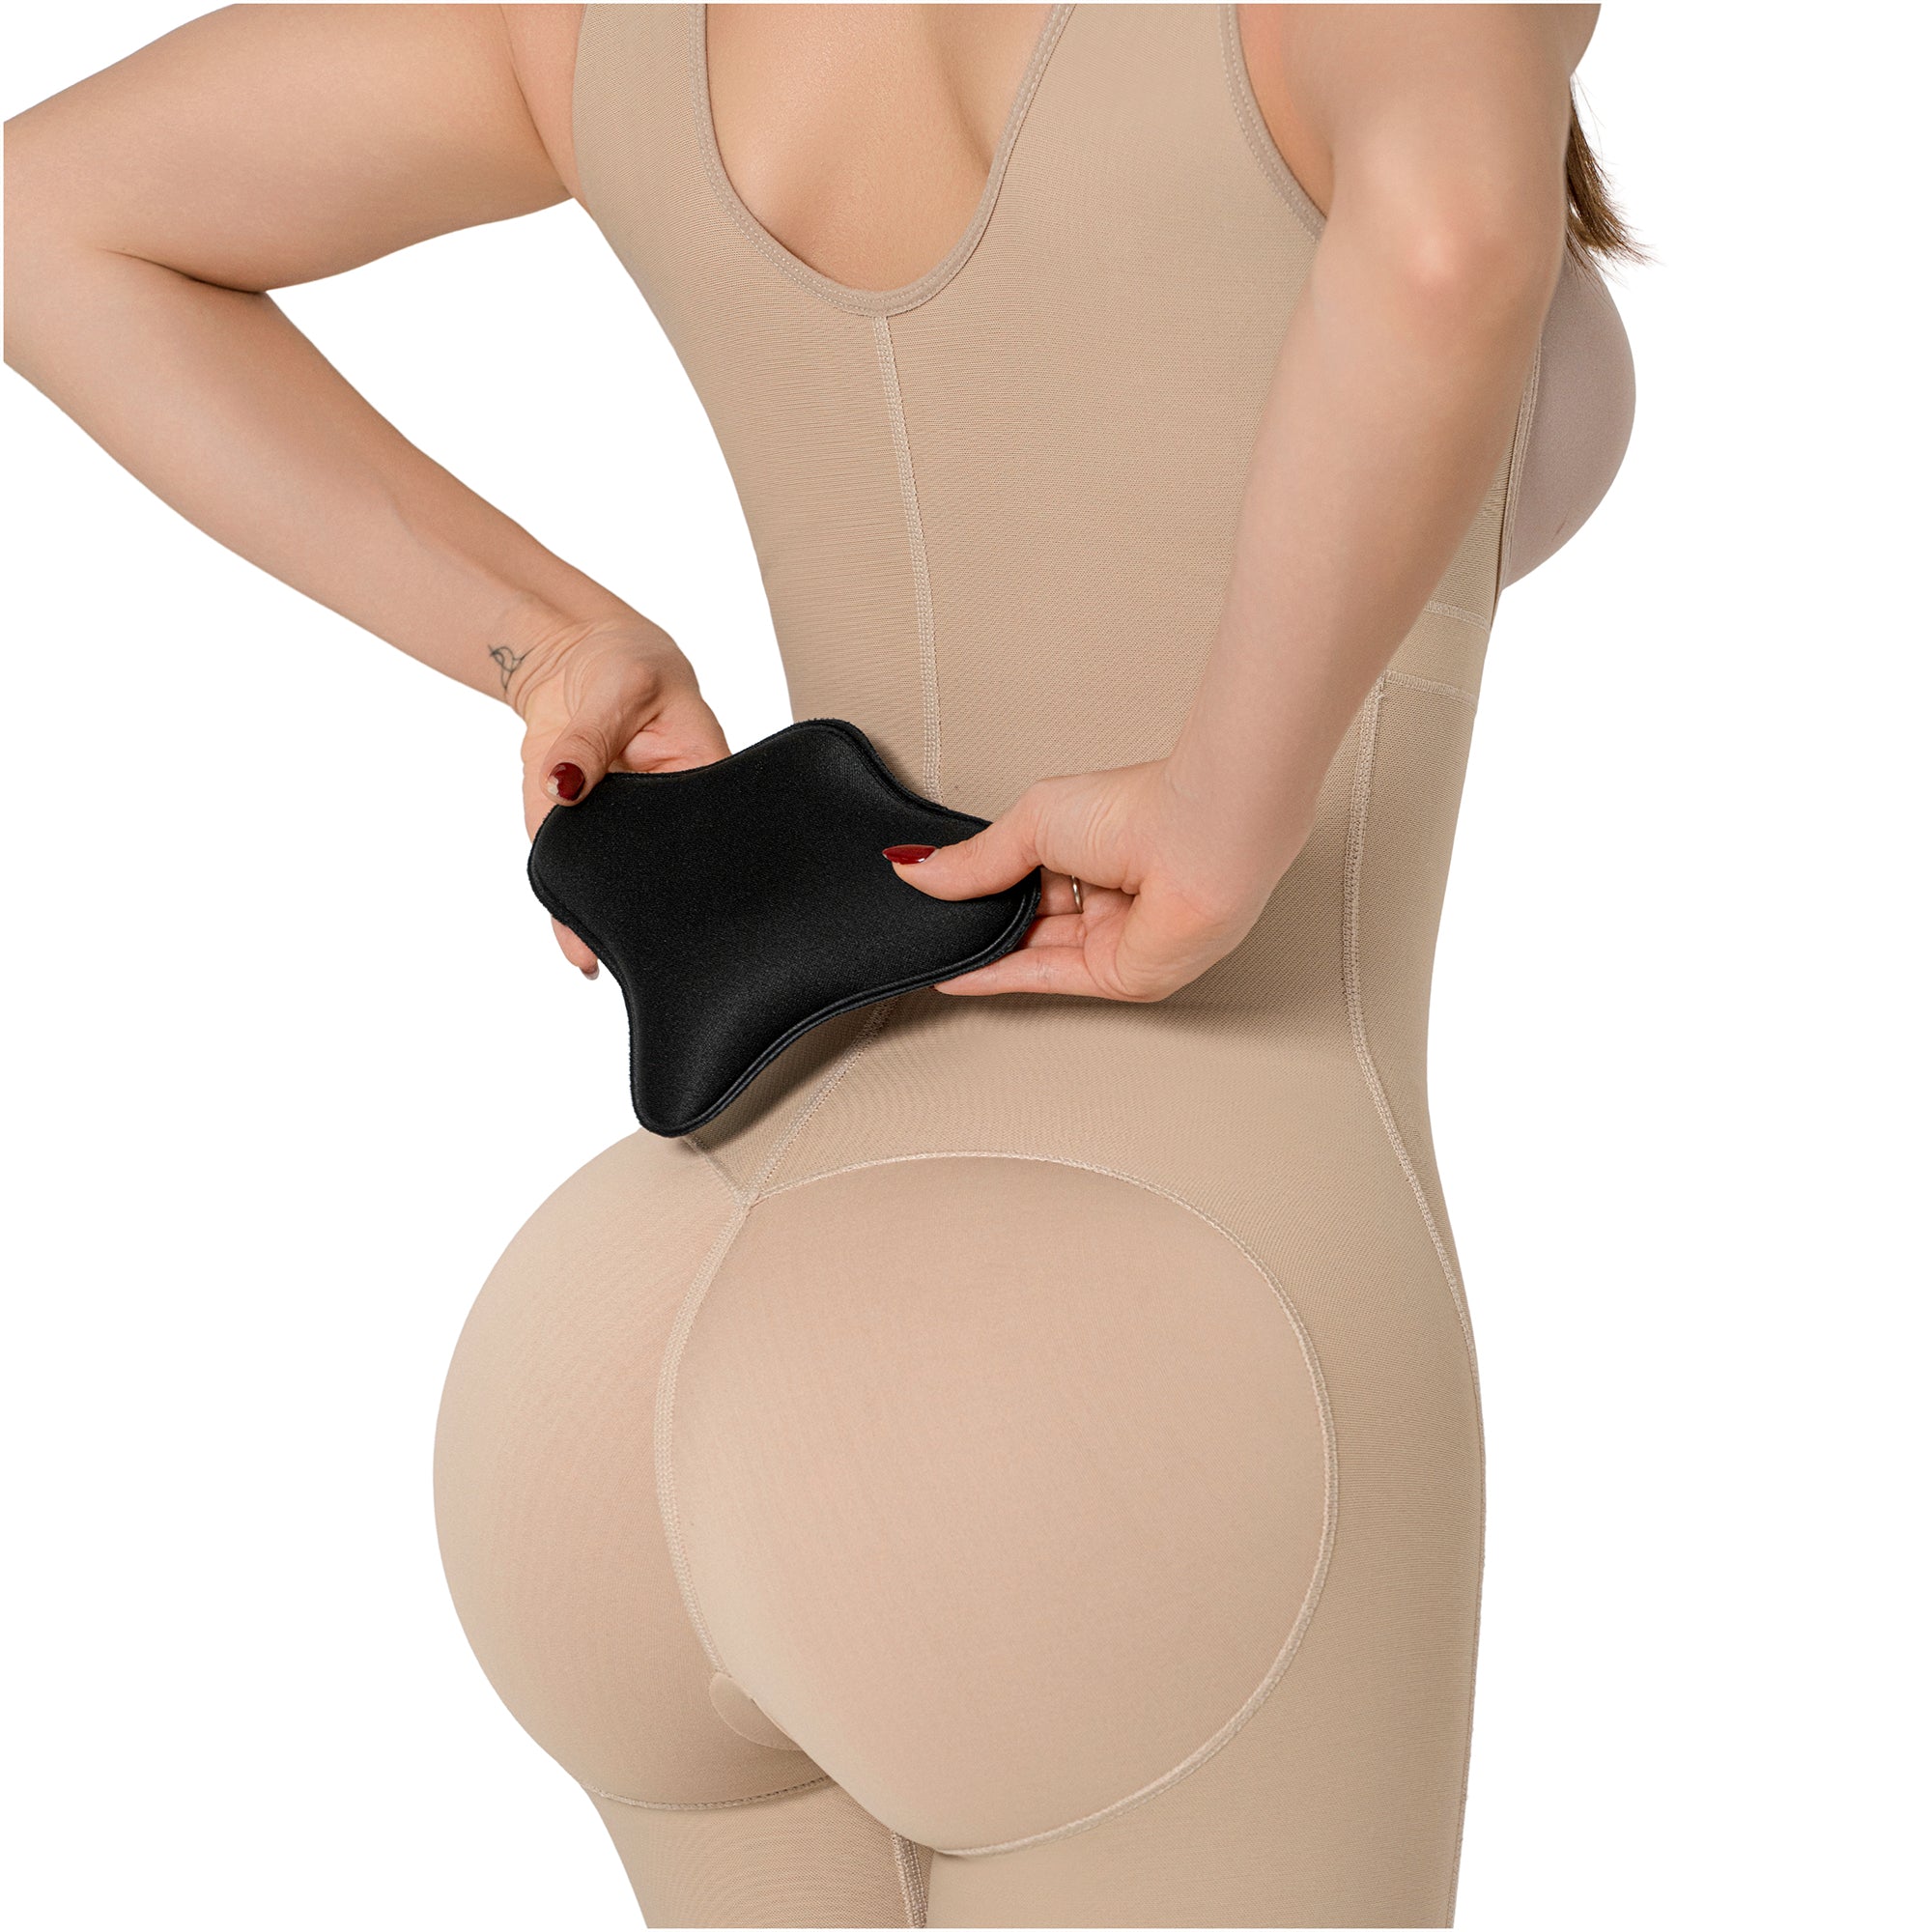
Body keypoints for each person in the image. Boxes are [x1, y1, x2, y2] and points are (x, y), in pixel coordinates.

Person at [4, 4, 1637, 1924]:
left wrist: (549, 643)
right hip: (1154, 1354)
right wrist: (1225, 800)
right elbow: (1447, 240)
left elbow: (45, 214)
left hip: (639, 1328)